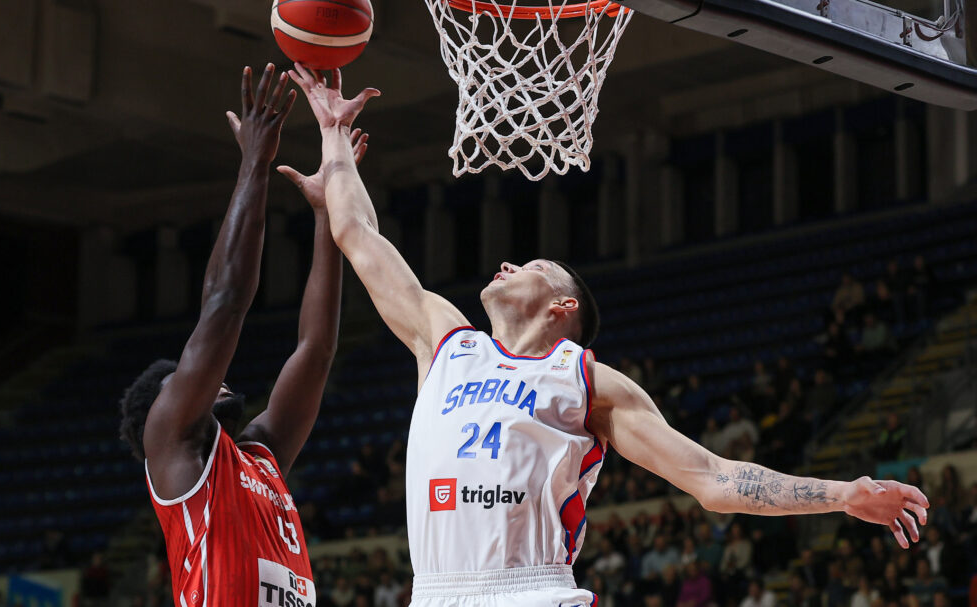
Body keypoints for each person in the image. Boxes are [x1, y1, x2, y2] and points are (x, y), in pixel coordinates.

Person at [285, 63, 930, 607]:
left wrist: (843, 495)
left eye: (531, 265)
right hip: (433, 592)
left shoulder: (586, 380)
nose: (507, 264)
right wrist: (334, 134)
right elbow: (357, 235)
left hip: (532, 591)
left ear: (562, 306)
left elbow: (712, 478)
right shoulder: (447, 341)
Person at [118, 65, 366, 607]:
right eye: (181, 380)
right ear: (168, 406)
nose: (215, 377)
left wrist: (325, 217)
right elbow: (225, 304)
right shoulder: (174, 444)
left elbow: (316, 351)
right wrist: (255, 162)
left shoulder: (259, 456)